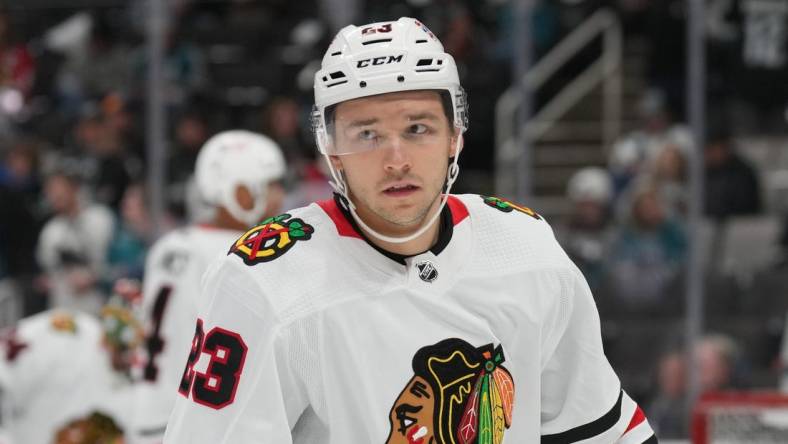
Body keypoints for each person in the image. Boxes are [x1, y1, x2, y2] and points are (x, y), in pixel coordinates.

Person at [164, 18, 656, 443]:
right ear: (331, 151)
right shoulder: (263, 280)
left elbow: (597, 430)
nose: (396, 160)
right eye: (368, 134)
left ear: (455, 136)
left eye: (417, 128)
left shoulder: (525, 249)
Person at [129, 130, 286, 444]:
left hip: (147, 413)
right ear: (238, 190)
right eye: (270, 185)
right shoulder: (242, 255)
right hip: (198, 422)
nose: (280, 196)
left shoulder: (171, 245)